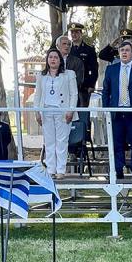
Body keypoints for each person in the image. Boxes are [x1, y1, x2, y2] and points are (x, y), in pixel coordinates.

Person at [101, 41, 132, 179]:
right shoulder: (111, 69)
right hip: (117, 112)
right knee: (117, 142)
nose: (124, 52)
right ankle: (118, 170)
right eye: (122, 50)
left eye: (127, 50)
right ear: (118, 53)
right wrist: (106, 110)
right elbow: (106, 92)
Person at [34, 48, 78, 179]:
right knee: (49, 141)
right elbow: (38, 96)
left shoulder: (69, 74)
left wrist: (70, 110)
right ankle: (50, 169)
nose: (53, 59)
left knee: (61, 141)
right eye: (50, 57)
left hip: (62, 112)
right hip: (46, 111)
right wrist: (37, 112)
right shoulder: (41, 76)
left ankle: (60, 170)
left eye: (56, 57)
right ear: (47, 60)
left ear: (60, 60)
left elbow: (74, 94)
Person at [67, 22, 98, 106]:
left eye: (76, 32)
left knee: (83, 112)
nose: (74, 34)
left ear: (81, 33)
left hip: (83, 86)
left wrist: (91, 85)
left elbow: (94, 69)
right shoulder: (67, 49)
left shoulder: (89, 50)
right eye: (72, 32)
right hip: (68, 86)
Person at [55, 35, 85, 107]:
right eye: (64, 44)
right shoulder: (52, 60)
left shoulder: (77, 61)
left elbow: (79, 79)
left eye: (69, 44)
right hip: (55, 95)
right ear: (57, 46)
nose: (67, 46)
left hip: (71, 96)